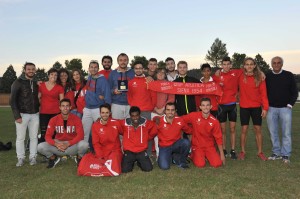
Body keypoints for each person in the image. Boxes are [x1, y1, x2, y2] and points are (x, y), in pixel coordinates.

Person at [38, 99, 89, 168]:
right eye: (63, 106)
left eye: (67, 106)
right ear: (60, 107)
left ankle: (79, 158)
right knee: (40, 147)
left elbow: (80, 135)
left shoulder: (76, 119)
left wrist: (68, 143)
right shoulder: (53, 119)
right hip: (59, 146)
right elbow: (47, 136)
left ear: (70, 107)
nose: (65, 108)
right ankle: (53, 158)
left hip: (72, 146)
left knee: (84, 144)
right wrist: (56, 144)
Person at [266, 56, 298, 163]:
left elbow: (294, 91)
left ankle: (286, 154)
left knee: (286, 132)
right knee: (273, 132)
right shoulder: (267, 76)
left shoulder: (288, 75)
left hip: (285, 109)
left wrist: (290, 104)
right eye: (274, 63)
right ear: (271, 64)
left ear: (282, 64)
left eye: (278, 63)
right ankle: (276, 152)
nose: (276, 64)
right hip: (271, 108)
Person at [238, 57, 268, 161]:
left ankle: (260, 152)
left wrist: (265, 108)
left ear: (254, 65)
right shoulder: (240, 75)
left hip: (256, 107)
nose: (249, 66)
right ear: (244, 66)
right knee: (244, 130)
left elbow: (263, 94)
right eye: (247, 64)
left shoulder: (259, 77)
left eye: (251, 64)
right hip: (244, 107)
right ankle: (242, 152)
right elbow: (228, 71)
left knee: (258, 129)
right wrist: (219, 71)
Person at [10, 62, 40, 166]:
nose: (31, 71)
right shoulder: (17, 82)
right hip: (22, 114)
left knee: (34, 137)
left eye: (33, 69)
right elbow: (12, 101)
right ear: (24, 70)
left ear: (35, 70)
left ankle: (33, 157)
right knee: (20, 138)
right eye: (29, 69)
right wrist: (17, 116)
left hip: (35, 114)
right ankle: (21, 158)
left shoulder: (36, 83)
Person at [182, 98, 225, 168]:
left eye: (207, 105)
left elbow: (218, 138)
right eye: (203, 105)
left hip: (209, 146)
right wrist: (189, 130)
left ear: (211, 106)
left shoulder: (215, 121)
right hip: (198, 146)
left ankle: (207, 156)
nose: (205, 107)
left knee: (217, 164)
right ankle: (193, 155)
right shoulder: (194, 116)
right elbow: (181, 119)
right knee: (200, 164)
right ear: (200, 107)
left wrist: (222, 154)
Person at [212, 57, 241, 159]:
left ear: (231, 65)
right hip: (221, 106)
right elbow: (208, 83)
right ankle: (223, 149)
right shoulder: (216, 76)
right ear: (221, 65)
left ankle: (233, 150)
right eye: (224, 64)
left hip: (232, 105)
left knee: (232, 129)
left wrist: (261, 73)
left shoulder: (236, 73)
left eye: (228, 64)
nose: (226, 66)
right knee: (223, 130)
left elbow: (249, 69)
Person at [119, 106, 157, 173]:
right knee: (125, 170)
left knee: (148, 169)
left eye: (137, 115)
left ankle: (139, 162)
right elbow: (115, 125)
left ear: (139, 115)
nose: (135, 118)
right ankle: (131, 162)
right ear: (130, 116)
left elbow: (154, 128)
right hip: (129, 151)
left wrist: (147, 137)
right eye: (133, 116)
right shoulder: (124, 123)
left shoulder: (145, 123)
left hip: (141, 151)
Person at [89, 103, 122, 176]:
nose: (105, 115)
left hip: (115, 151)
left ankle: (107, 167)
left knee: (115, 165)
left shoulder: (116, 123)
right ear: (100, 113)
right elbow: (96, 143)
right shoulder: (95, 126)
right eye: (103, 112)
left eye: (107, 112)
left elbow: (124, 133)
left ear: (110, 113)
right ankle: (104, 166)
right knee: (87, 159)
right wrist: (100, 156)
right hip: (103, 151)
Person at [82, 60, 111, 142]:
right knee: (85, 131)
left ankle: (103, 149)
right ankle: (84, 148)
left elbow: (107, 94)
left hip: (97, 109)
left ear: (98, 69)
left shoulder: (103, 80)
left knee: (100, 130)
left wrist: (107, 109)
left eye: (95, 67)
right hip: (87, 108)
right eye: (91, 67)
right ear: (89, 68)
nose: (93, 69)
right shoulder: (89, 78)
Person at [156, 102, 191, 170]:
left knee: (186, 143)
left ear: (175, 111)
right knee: (164, 167)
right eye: (168, 110)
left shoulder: (180, 120)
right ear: (165, 111)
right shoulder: (159, 121)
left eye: (172, 110)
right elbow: (151, 132)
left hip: (176, 144)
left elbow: (189, 130)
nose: (170, 112)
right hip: (164, 147)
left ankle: (182, 161)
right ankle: (171, 157)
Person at [174, 61, 199, 139]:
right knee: (181, 131)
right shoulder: (174, 82)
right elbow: (172, 98)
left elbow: (204, 88)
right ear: (177, 69)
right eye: (180, 67)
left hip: (192, 110)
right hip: (180, 111)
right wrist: (175, 111)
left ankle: (192, 149)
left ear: (187, 68)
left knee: (192, 131)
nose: (182, 69)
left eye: (184, 67)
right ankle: (183, 150)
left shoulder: (193, 80)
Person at [38, 68, 64, 143]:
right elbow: (38, 97)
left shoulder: (59, 87)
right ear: (48, 76)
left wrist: (62, 112)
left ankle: (53, 149)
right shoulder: (41, 85)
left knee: (54, 132)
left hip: (55, 113)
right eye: (52, 74)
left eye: (56, 75)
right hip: (44, 112)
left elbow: (62, 101)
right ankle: (43, 148)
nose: (54, 76)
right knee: (44, 132)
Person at [108, 53, 135, 120]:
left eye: (125, 60)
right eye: (121, 60)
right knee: (116, 126)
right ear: (118, 61)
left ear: (128, 61)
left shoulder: (133, 72)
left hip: (130, 104)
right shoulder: (113, 73)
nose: (123, 62)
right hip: (116, 104)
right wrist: (114, 91)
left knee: (129, 127)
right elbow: (108, 89)